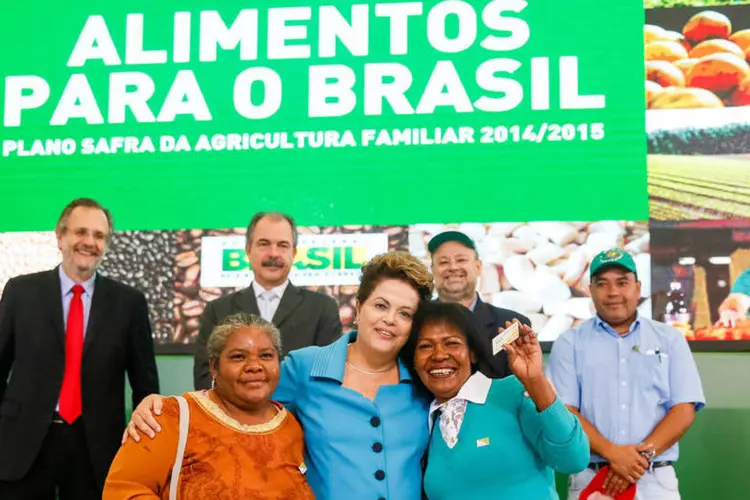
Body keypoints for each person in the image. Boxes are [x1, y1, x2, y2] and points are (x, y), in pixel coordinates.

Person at [125, 251, 435, 500]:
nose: (390, 320)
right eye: (381, 305)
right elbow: (231, 403)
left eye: (405, 313)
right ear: (358, 308)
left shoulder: (423, 380)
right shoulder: (306, 367)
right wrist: (165, 408)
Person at [0, 197, 160, 499]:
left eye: (99, 236)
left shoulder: (129, 303)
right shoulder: (20, 291)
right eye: (80, 232)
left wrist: (146, 450)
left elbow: (145, 385)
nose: (89, 242)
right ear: (60, 237)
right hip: (22, 444)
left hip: (96, 449)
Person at [547, 248, 706, 500]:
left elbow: (684, 408)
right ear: (590, 290)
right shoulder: (569, 343)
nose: (613, 293)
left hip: (655, 480)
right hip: (593, 479)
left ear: (638, 287)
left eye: (622, 283)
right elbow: (566, 411)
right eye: (602, 284)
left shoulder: (670, 339)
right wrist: (614, 453)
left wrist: (637, 461)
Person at [103, 313, 315, 499]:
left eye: (266, 356)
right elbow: (124, 490)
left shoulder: (292, 426)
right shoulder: (170, 417)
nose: (254, 366)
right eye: (238, 357)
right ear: (214, 366)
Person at [400, 301, 589, 499]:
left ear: (472, 352)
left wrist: (535, 381)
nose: (439, 355)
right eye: (425, 346)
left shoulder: (512, 392)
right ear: (413, 360)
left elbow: (574, 459)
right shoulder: (426, 423)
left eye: (452, 343)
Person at [193, 211, 343, 389]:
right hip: (232, 416)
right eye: (264, 244)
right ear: (248, 250)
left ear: (294, 253)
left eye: (283, 245)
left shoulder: (322, 308)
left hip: (297, 415)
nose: (274, 253)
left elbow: (328, 377)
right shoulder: (217, 311)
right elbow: (205, 378)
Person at [428, 230, 531, 378]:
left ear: (478, 266)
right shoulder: (415, 321)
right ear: (432, 270)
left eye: (461, 260)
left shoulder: (511, 325)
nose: (453, 267)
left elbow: (522, 384)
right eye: (444, 262)